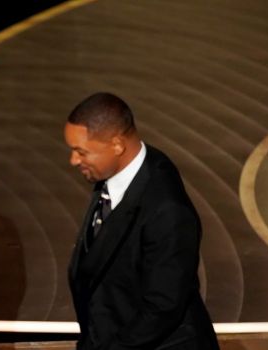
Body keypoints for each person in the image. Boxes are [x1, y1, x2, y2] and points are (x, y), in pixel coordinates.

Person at [64, 92, 219, 350]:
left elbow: (162, 307)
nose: (73, 160)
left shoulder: (167, 211)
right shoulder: (122, 171)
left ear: (117, 145)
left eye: (81, 152)